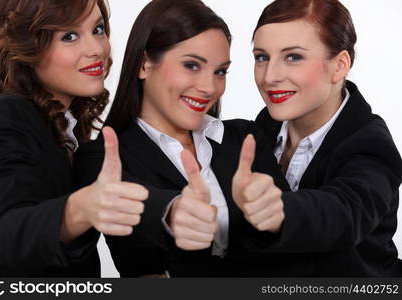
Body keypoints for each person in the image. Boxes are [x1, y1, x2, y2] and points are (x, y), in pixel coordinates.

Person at [75, 0, 290, 277]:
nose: (209, 87)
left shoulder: (245, 138)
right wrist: (173, 212)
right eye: (191, 65)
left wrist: (271, 216)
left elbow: (291, 247)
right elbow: (137, 208)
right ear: (144, 64)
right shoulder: (102, 157)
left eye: (220, 71)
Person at [0, 0, 148, 277]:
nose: (97, 49)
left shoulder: (64, 126)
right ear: (27, 48)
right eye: (69, 36)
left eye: (98, 29)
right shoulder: (8, 115)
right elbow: (8, 234)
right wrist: (81, 208)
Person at [241, 0, 402, 276]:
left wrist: (278, 210)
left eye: (293, 57)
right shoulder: (264, 127)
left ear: (339, 65)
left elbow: (345, 212)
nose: (270, 77)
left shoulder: (371, 144)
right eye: (261, 57)